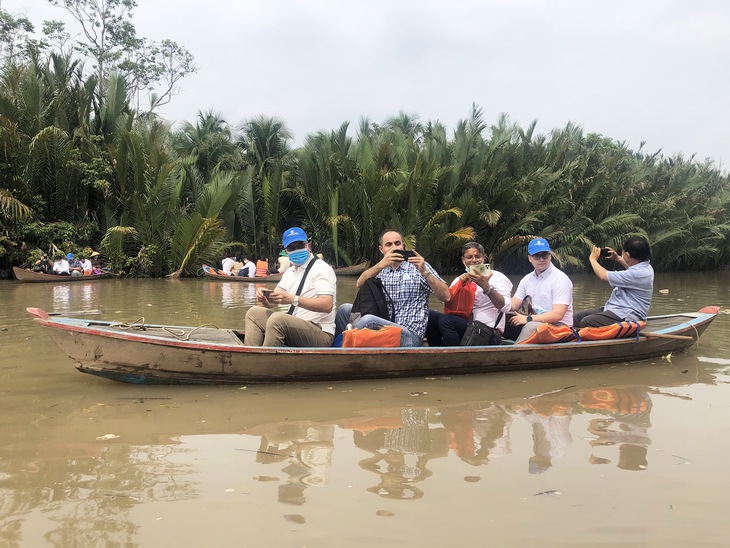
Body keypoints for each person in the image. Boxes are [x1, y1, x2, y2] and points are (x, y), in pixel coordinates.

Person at [335, 229, 451, 347]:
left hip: (408, 335)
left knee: (367, 320)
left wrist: (424, 272)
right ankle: (335, 349)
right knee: (343, 310)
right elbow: (359, 283)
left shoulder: (419, 266)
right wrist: (381, 264)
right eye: (388, 245)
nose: (394, 247)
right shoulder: (381, 270)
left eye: (397, 243)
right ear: (382, 249)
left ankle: (350, 348)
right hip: (385, 325)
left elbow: (446, 296)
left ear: (403, 246)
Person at [244, 227, 336, 347]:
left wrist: (293, 299)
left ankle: (265, 363)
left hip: (320, 333)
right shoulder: (289, 272)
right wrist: (264, 297)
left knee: (277, 319)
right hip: (294, 327)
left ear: (309, 246)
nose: (296, 250)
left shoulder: (321, 269)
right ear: (286, 252)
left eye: (300, 245)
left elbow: (327, 305)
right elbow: (272, 302)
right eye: (292, 248)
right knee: (253, 313)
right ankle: (250, 359)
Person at [426, 242, 513, 346]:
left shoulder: (497, 277)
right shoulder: (459, 279)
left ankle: (453, 355)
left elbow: (506, 307)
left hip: (487, 332)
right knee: (429, 315)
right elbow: (448, 304)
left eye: (477, 256)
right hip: (466, 327)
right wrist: (460, 285)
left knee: (447, 320)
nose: (474, 260)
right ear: (463, 260)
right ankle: (437, 351)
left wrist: (487, 287)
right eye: (469, 257)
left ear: (483, 258)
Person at [574, 236, 654, 327]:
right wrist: (618, 258)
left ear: (627, 255)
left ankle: (594, 339)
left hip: (628, 315)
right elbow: (631, 269)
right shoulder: (646, 267)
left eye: (623, 253)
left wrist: (593, 259)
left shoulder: (638, 273)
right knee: (577, 318)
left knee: (587, 322)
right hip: (615, 310)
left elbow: (603, 275)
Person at [507, 237, 573, 343]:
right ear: (530, 258)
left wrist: (528, 319)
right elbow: (514, 304)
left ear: (550, 255)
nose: (541, 259)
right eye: (537, 256)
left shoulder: (560, 279)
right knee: (504, 317)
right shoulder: (527, 279)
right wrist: (493, 296)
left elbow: (558, 314)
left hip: (559, 327)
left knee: (531, 326)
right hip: (536, 321)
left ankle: (516, 355)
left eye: (544, 255)